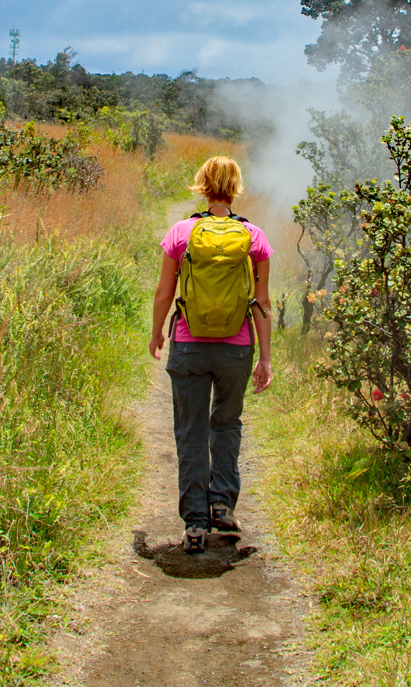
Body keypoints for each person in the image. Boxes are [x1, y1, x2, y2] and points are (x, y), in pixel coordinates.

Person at [149, 155, 273, 554]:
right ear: (236, 189)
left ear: (202, 186)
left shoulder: (182, 232)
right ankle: (222, 506)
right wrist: (265, 359)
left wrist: (157, 332)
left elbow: (165, 293)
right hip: (236, 349)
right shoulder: (254, 237)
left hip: (189, 344)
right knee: (227, 423)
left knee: (190, 432)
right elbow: (262, 301)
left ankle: (195, 525)